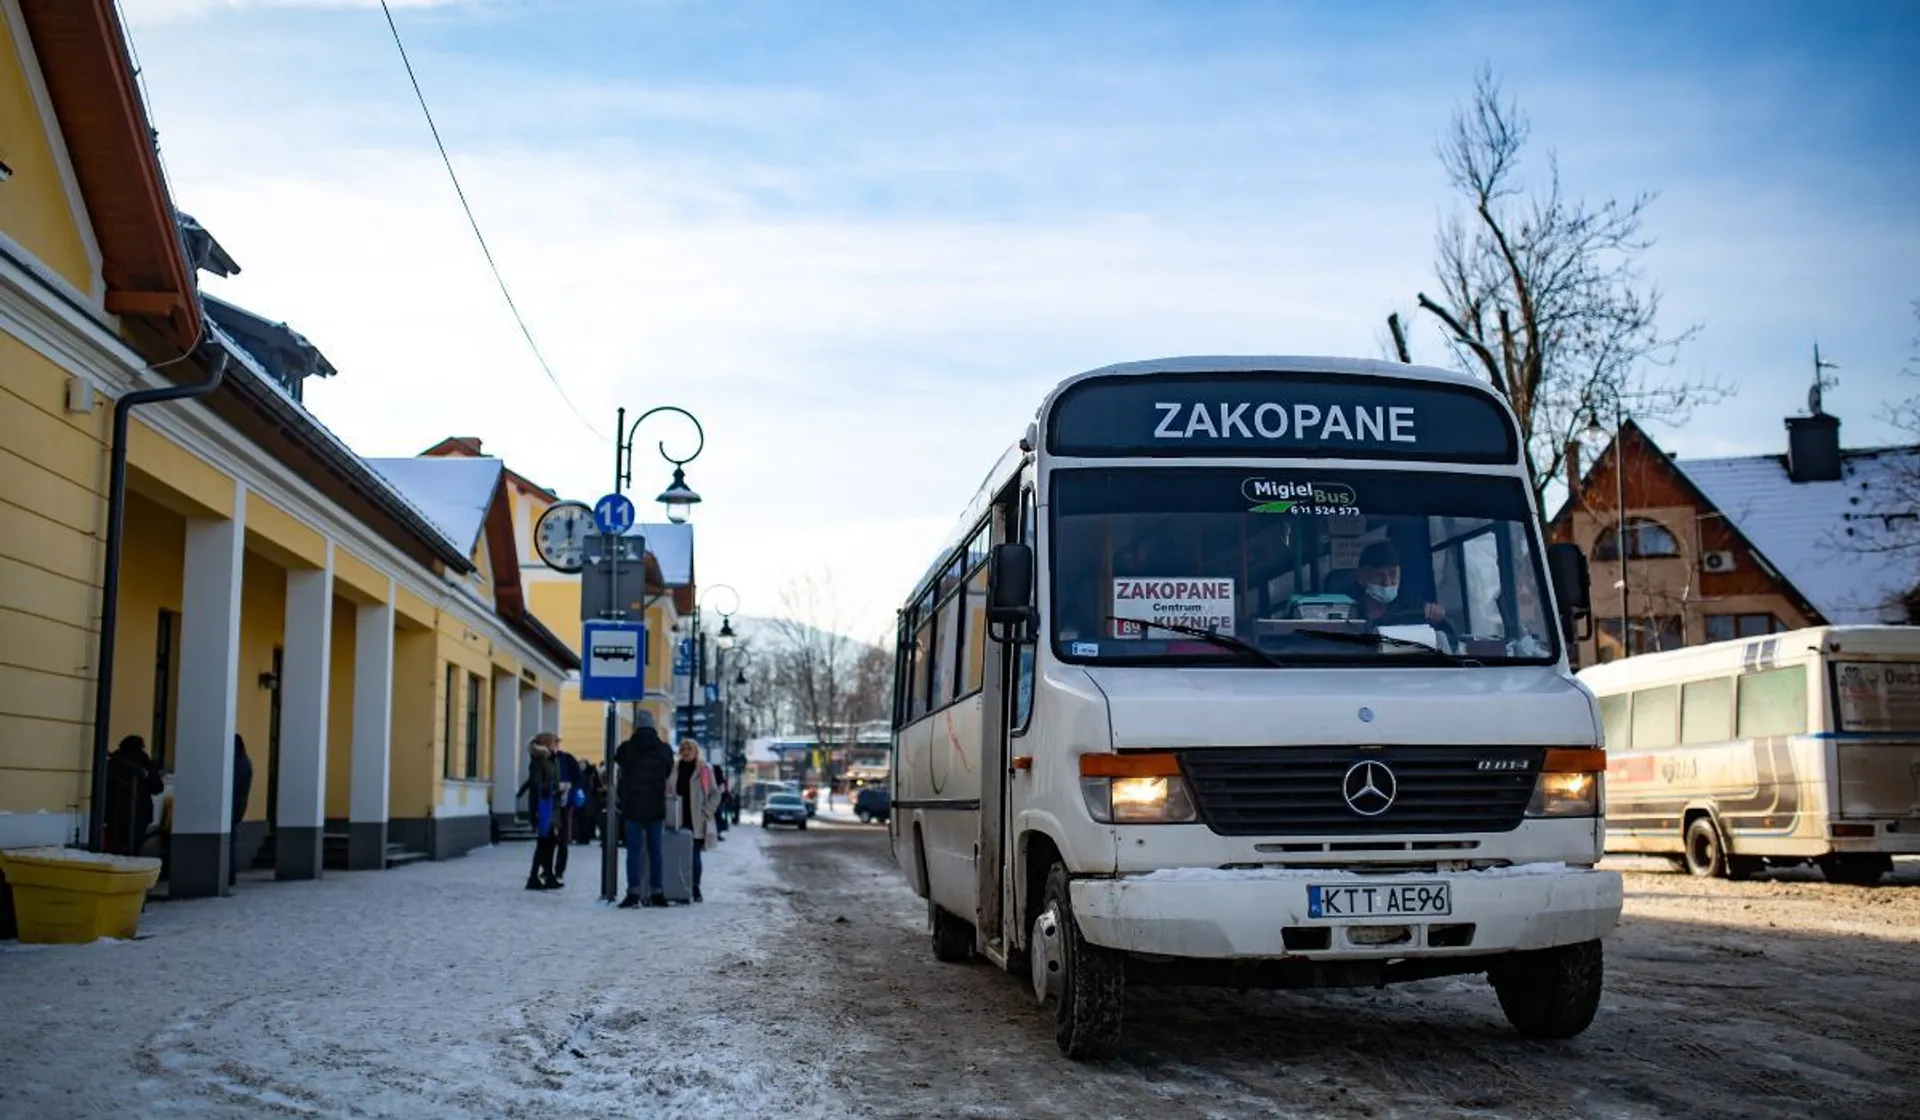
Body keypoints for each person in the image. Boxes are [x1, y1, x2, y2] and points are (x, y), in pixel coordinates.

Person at [614, 712, 675, 909]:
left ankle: (633, 892)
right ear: (654, 726)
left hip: (632, 807)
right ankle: (657, 891)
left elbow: (619, 764)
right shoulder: (663, 749)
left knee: (633, 853)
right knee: (655, 852)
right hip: (655, 807)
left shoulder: (626, 749)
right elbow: (668, 770)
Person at [1352, 541, 1448, 628]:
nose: (1387, 582)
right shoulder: (1346, 608)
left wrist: (1438, 619)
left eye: (1393, 574)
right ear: (1361, 577)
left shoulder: (1414, 607)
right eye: (1379, 575)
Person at [104, 735, 163, 857]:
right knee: (135, 848)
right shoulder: (144, 763)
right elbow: (157, 788)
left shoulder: (114, 761)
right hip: (140, 812)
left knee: (116, 845)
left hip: (115, 811)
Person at [674, 740, 718, 901]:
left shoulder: (704, 769)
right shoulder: (674, 768)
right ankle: (679, 888)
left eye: (689, 749)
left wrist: (706, 811)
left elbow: (715, 793)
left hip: (696, 819)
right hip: (677, 818)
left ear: (696, 751)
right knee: (678, 855)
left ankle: (695, 888)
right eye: (683, 749)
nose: (686, 752)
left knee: (693, 856)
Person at [516, 733, 562, 890]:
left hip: (552, 805)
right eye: (555, 742)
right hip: (542, 806)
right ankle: (534, 877)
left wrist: (560, 788)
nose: (558, 745)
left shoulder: (552, 760)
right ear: (547, 744)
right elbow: (536, 784)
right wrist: (556, 787)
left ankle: (547, 876)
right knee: (544, 842)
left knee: (550, 842)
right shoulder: (539, 761)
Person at [230, 735, 253, 886]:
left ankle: (228, 876)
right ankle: (229, 875)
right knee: (230, 840)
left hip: (233, 806)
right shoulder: (244, 761)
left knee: (229, 842)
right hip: (238, 806)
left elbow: (232, 784)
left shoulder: (238, 763)